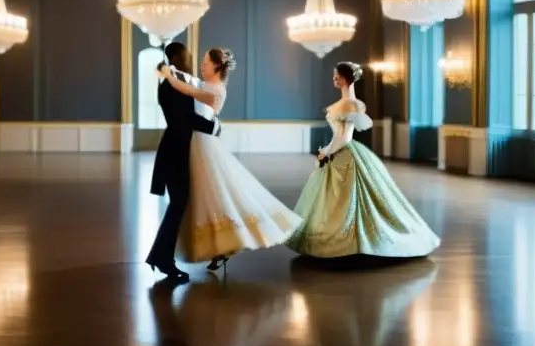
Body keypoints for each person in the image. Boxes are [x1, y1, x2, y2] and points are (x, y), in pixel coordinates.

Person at [159, 47, 303, 272]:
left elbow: (184, 89)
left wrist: (167, 73)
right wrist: (174, 71)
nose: (201, 64)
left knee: (216, 196)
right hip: (194, 144)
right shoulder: (204, 84)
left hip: (203, 147)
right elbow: (188, 82)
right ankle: (218, 248)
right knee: (203, 199)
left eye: (206, 62)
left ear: (217, 66)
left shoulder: (215, 90)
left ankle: (225, 245)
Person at [285, 61, 440, 259]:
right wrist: (327, 151)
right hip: (339, 150)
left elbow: (344, 136)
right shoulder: (350, 104)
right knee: (338, 200)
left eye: (336, 75)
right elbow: (341, 135)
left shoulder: (350, 104)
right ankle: (343, 236)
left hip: (343, 151)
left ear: (344, 78)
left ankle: (350, 240)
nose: (333, 78)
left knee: (348, 199)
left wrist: (327, 153)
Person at [147, 42, 221, 282]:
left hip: (180, 148)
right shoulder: (171, 83)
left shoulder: (177, 80)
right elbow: (184, 118)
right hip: (176, 151)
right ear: (175, 57)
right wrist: (213, 126)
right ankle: (163, 259)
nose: (191, 59)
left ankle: (164, 257)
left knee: (179, 205)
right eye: (187, 55)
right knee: (177, 205)